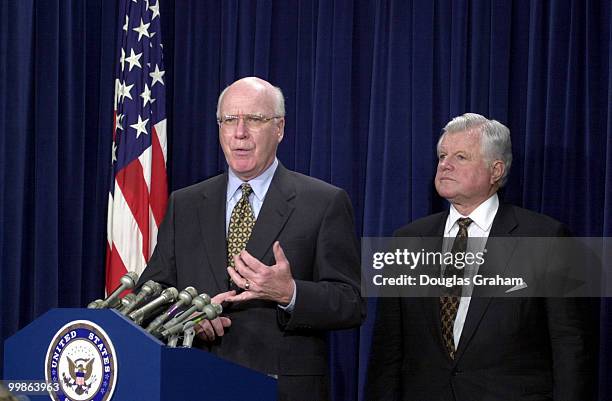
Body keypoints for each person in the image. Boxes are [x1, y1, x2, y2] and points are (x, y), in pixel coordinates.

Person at [137, 76, 365, 400]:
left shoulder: (323, 202)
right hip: (196, 384)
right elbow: (151, 295)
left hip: (282, 390)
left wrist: (290, 293)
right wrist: (186, 317)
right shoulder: (185, 204)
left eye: (254, 119)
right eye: (230, 120)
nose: (239, 132)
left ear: (280, 128)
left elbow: (351, 303)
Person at [365, 113, 597, 401]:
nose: (445, 165)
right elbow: (388, 349)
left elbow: (570, 345)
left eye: (461, 157)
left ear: (496, 170)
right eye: (442, 155)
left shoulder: (545, 237)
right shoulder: (408, 240)